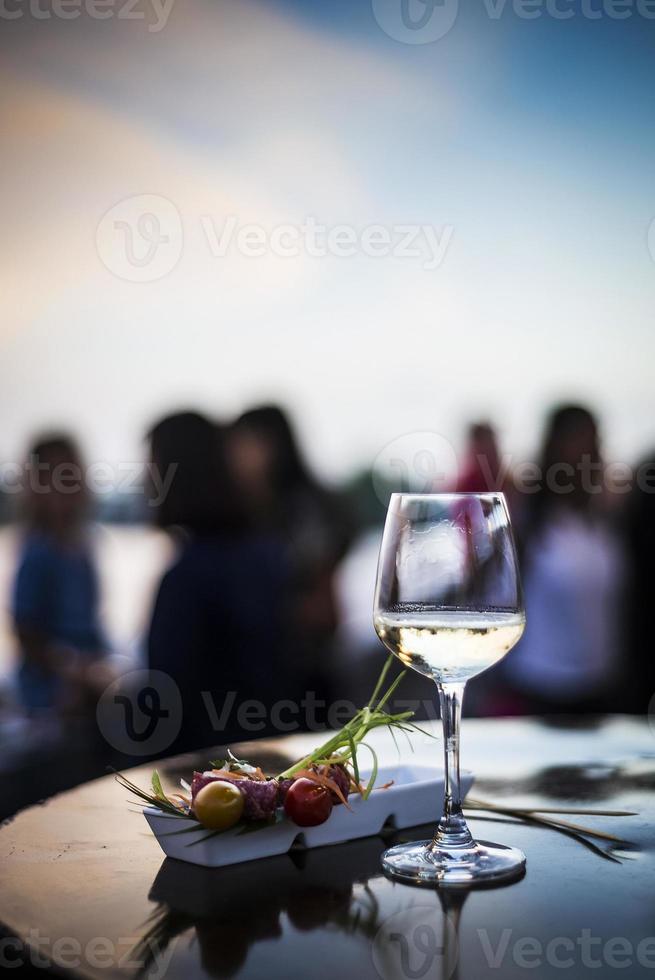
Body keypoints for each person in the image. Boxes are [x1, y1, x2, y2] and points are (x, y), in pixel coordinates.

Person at [147, 412, 291, 753]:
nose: (144, 481)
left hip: (202, 778)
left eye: (152, 465)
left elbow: (165, 706)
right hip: (264, 759)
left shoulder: (185, 579)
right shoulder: (264, 554)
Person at [503, 405, 625, 713]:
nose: (587, 454)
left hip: (603, 691)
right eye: (577, 441)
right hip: (538, 695)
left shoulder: (603, 521)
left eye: (593, 443)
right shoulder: (526, 524)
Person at [228, 406, 353, 704]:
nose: (234, 456)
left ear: (271, 444)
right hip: (280, 666)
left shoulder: (303, 509)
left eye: (244, 443)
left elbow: (324, 609)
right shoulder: (251, 511)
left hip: (304, 667)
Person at [12, 434, 109, 715]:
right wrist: (73, 668)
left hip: (89, 680)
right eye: (51, 477)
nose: (62, 487)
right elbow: (26, 632)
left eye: (68, 476)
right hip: (49, 696)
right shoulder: (37, 551)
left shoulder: (87, 544)